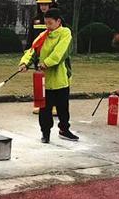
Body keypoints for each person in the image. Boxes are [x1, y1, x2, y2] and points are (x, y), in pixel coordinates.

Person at [18, 8, 79, 143]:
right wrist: (24, 63)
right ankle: (45, 133)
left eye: (50, 23)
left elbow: (60, 53)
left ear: (58, 21)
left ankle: (64, 130)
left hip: (61, 79)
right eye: (46, 23)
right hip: (44, 82)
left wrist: (46, 63)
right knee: (44, 109)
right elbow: (32, 51)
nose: (48, 26)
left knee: (63, 108)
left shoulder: (65, 33)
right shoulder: (43, 36)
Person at [27, 0, 58, 115]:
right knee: (40, 82)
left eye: (46, 4)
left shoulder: (57, 19)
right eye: (41, 4)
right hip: (38, 57)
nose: (43, 7)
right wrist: (27, 56)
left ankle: (54, 106)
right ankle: (41, 105)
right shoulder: (35, 20)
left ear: (51, 4)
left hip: (51, 57)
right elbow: (31, 39)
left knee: (53, 82)